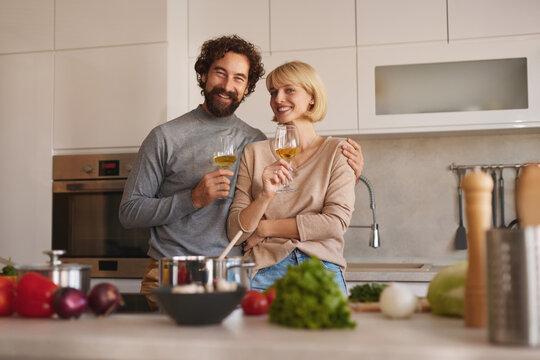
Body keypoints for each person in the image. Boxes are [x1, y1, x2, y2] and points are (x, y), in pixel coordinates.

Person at [119, 35, 363, 303]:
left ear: (247, 88)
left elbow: (296, 197)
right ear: (203, 75)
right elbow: (129, 212)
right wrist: (191, 199)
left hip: (232, 274)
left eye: (239, 78)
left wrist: (352, 173)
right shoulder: (165, 137)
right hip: (174, 271)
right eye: (219, 73)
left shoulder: (255, 142)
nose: (227, 85)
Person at [227, 61, 356, 294]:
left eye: (289, 90)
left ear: (312, 97)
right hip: (264, 271)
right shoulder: (254, 153)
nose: (278, 99)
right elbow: (236, 233)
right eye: (273, 92)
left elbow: (335, 224)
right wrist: (265, 196)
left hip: (321, 269)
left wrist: (265, 228)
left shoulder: (339, 151)